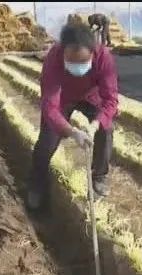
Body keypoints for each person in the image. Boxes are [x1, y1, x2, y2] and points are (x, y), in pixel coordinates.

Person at [26, 23, 119, 211]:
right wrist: (72, 131)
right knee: (46, 142)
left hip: (91, 96)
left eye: (82, 62)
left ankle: (99, 177)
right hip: (63, 99)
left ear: (93, 54)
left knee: (106, 129)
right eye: (71, 62)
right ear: (63, 53)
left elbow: (111, 101)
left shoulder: (104, 58)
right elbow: (50, 106)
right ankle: (37, 184)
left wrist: (94, 125)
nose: (77, 67)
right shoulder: (53, 58)